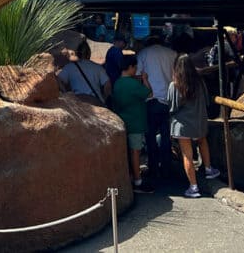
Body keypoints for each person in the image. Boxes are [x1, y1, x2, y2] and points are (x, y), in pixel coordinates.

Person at [168, 53, 220, 198]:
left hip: (182, 125)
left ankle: (193, 187)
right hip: (199, 121)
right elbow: (207, 102)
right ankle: (209, 169)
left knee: (187, 155)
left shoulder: (175, 85)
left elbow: (172, 107)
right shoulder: (200, 82)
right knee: (202, 142)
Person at [110, 53, 152, 192]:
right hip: (136, 122)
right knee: (135, 152)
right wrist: (145, 79)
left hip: (122, 121)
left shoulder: (117, 83)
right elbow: (149, 93)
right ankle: (138, 181)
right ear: (130, 67)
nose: (136, 70)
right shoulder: (133, 84)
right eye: (135, 67)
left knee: (127, 152)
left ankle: (128, 178)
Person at [136, 35, 177, 176]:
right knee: (167, 136)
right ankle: (167, 166)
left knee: (150, 136)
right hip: (170, 100)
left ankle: (153, 166)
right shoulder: (172, 54)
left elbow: (137, 75)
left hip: (151, 100)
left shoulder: (143, 53)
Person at [57, 39, 111, 104]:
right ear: (89, 53)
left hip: (78, 101)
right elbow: (107, 84)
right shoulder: (97, 67)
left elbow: (58, 80)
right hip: (95, 100)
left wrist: (65, 92)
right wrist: (104, 98)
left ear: (77, 53)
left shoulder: (69, 67)